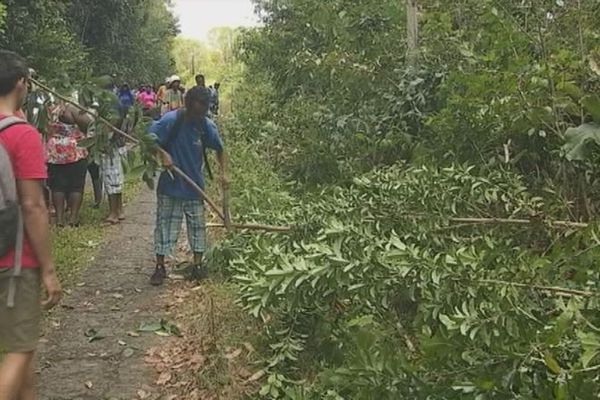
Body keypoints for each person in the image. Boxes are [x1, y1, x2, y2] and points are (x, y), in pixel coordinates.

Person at [0, 50, 61, 400]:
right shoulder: (23, 135)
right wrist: (49, 270)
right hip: (15, 261)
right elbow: (34, 206)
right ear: (21, 83)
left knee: (26, 356)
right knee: (20, 350)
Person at [149, 86, 229, 286]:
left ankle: (198, 266)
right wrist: (162, 153)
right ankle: (160, 267)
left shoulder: (206, 126)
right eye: (195, 111)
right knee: (165, 226)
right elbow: (148, 139)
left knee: (197, 228)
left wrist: (224, 173)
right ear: (187, 105)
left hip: (195, 188)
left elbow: (220, 149)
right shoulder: (171, 121)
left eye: (202, 112)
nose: (197, 116)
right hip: (170, 187)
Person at [46, 103, 91, 227]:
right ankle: (73, 217)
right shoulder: (70, 108)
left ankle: (60, 219)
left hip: (54, 151)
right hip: (74, 150)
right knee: (76, 186)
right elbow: (88, 123)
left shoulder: (47, 108)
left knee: (57, 186)